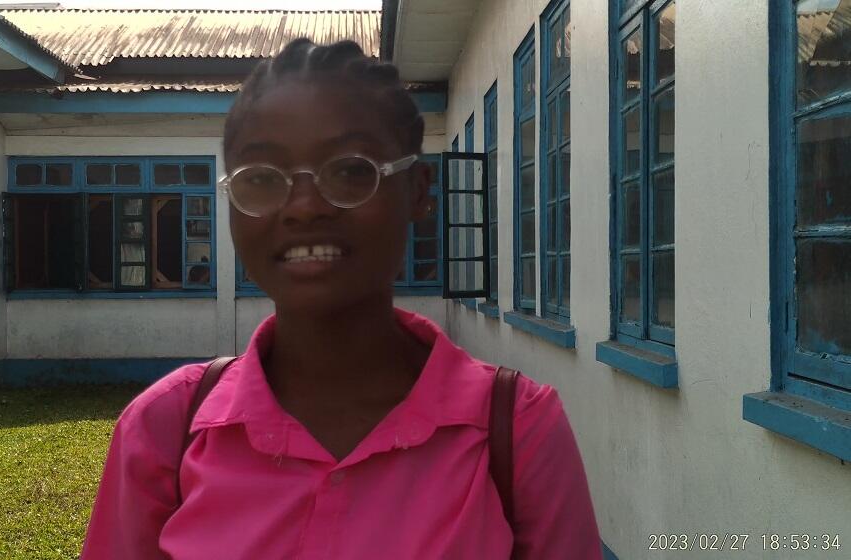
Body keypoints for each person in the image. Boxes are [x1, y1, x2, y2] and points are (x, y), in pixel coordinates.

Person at [81, 39, 602, 559]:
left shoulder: (516, 431)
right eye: (262, 178)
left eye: (351, 170)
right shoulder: (164, 430)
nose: (304, 207)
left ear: (419, 190)